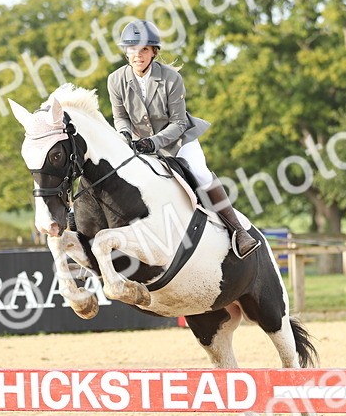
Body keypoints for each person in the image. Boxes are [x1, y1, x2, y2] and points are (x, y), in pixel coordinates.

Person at [107, 19, 259, 258]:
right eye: (133, 49)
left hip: (178, 141)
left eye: (144, 49)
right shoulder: (115, 80)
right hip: (140, 144)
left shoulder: (171, 78)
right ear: (126, 52)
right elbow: (120, 117)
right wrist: (125, 135)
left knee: (200, 173)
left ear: (154, 52)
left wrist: (154, 142)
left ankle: (238, 231)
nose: (138, 55)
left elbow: (178, 123)